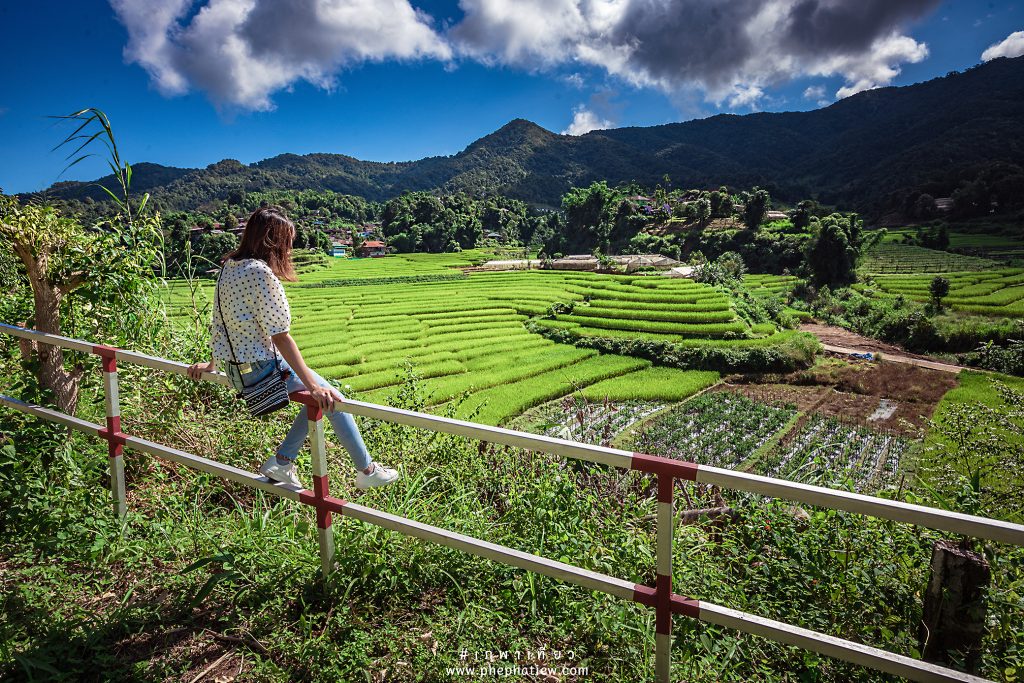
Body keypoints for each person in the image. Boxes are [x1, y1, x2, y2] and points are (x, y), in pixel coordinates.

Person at [187, 206, 399, 490]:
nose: (289, 250)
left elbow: (220, 322)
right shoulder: (261, 274)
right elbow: (281, 336)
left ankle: (283, 462)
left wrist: (211, 366)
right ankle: (367, 470)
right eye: (288, 242)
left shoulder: (229, 267)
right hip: (262, 368)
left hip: (235, 369)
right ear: (274, 242)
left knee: (320, 397)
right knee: (331, 396)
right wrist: (312, 385)